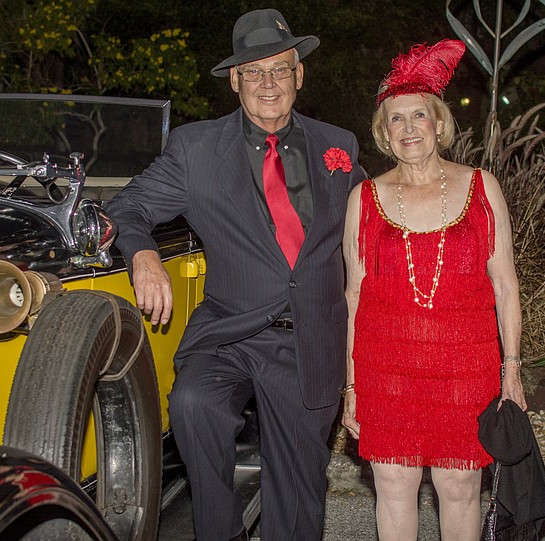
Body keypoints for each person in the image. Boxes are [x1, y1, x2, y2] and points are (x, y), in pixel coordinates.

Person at [105, 8, 366, 541]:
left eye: (280, 69)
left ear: (299, 75)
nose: (268, 83)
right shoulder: (195, 149)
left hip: (310, 338)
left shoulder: (338, 146)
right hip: (229, 330)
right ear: (234, 81)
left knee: (297, 501)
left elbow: (374, 223)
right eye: (254, 72)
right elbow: (126, 208)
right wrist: (144, 256)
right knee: (194, 402)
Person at [340, 40, 526, 541]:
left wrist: (511, 371)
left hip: (465, 365)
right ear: (384, 132)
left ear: (438, 123)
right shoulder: (366, 197)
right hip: (387, 367)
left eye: (418, 116)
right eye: (395, 120)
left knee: (461, 486)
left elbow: (506, 286)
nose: (408, 129)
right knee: (393, 484)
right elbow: (352, 297)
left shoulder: (481, 187)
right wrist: (351, 386)